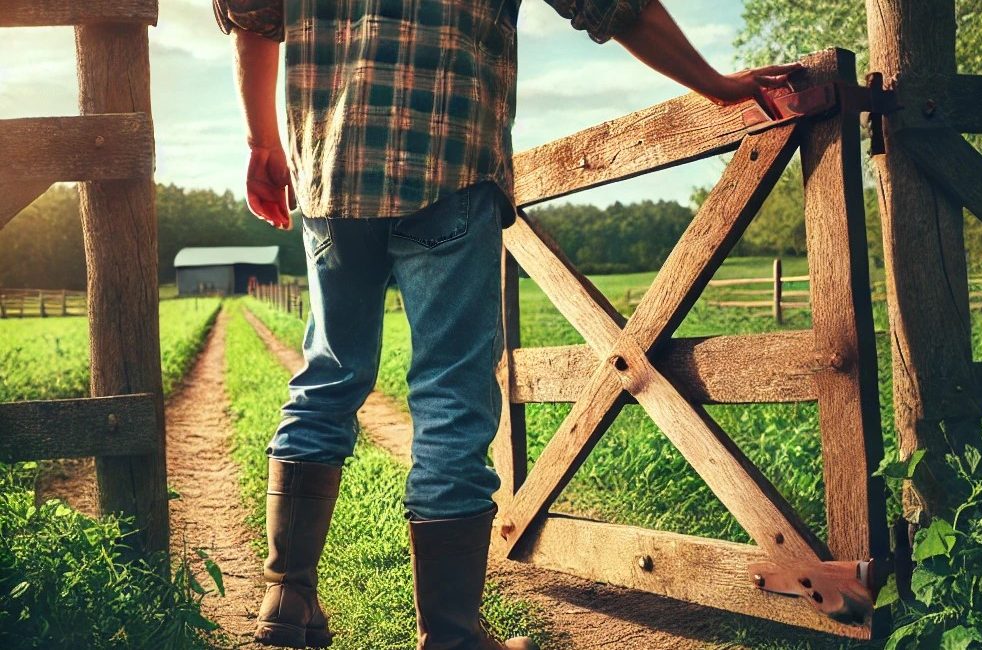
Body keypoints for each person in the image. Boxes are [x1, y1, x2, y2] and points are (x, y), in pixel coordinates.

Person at [212, 0, 801, 648]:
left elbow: (250, 15)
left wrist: (261, 142)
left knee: (328, 376)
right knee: (450, 397)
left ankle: (286, 599)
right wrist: (717, 85)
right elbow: (617, 8)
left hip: (331, 167)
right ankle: (451, 636)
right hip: (449, 156)